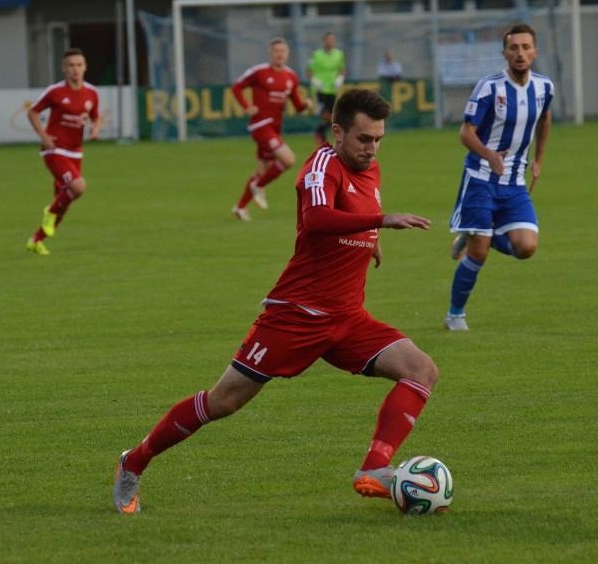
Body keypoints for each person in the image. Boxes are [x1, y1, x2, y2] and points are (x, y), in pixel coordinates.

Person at [113, 88, 438, 514]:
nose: (371, 149)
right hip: (295, 316)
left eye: (378, 139)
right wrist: (381, 221)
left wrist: (368, 240)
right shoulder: (320, 166)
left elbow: (347, 218)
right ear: (337, 132)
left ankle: (374, 468)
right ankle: (133, 462)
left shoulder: (370, 170)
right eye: (363, 139)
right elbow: (319, 218)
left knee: (421, 370)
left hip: (347, 318)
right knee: (224, 401)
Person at [444, 23, 553, 331]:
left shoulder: (545, 87)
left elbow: (545, 117)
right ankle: (455, 314)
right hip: (480, 179)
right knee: (477, 255)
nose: (520, 53)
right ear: (504, 53)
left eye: (526, 47)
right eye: (514, 48)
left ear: (535, 52)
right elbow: (466, 133)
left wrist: (539, 160)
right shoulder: (489, 87)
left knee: (527, 247)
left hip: (515, 182)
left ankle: (477, 236)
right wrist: (490, 155)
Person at [26, 48, 102, 255]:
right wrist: (43, 136)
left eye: (79, 65)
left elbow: (95, 116)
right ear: (64, 68)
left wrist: (95, 128)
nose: (75, 70)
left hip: (76, 152)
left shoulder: (92, 93)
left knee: (64, 199)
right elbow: (33, 112)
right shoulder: (55, 91)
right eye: (71, 65)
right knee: (78, 187)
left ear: (85, 67)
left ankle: (37, 240)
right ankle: (48, 212)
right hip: (55, 150)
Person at [230, 37, 315, 222]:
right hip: (260, 125)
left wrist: (306, 104)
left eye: (282, 51)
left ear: (287, 54)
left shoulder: (291, 76)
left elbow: (298, 105)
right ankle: (259, 186)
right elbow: (236, 87)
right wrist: (246, 106)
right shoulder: (259, 72)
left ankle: (240, 207)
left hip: (275, 129)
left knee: (262, 170)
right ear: (270, 54)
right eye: (276, 51)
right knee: (288, 159)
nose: (279, 54)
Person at [307, 32, 346, 146]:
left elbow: (342, 69)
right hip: (320, 88)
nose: (330, 42)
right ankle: (322, 131)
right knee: (325, 114)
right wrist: (314, 80)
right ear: (324, 41)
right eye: (328, 40)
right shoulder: (316, 55)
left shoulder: (339, 54)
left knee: (332, 114)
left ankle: (321, 131)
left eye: (332, 40)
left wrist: (340, 78)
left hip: (332, 89)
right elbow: (309, 71)